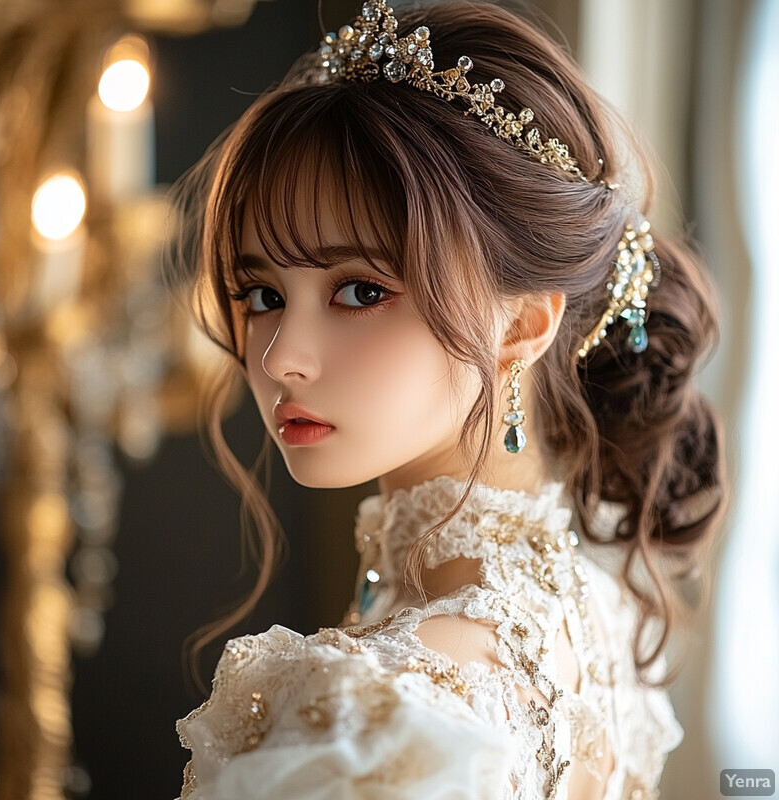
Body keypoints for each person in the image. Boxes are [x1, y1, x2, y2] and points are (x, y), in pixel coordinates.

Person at [164, 1, 726, 797]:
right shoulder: (601, 617)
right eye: (260, 294)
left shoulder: (378, 714)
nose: (281, 356)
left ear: (523, 324)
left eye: (360, 289)